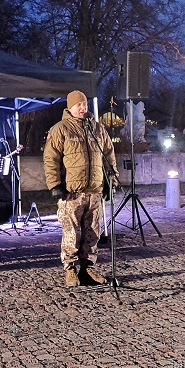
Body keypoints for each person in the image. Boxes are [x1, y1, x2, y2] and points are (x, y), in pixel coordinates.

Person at [43, 90, 119, 288]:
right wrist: (55, 185)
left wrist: (111, 182)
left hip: (94, 191)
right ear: (70, 107)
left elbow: (109, 156)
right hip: (72, 193)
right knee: (71, 233)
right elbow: (50, 159)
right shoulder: (60, 129)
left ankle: (88, 269)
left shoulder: (97, 129)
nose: (83, 108)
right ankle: (70, 269)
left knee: (92, 233)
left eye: (84, 104)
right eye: (79, 105)